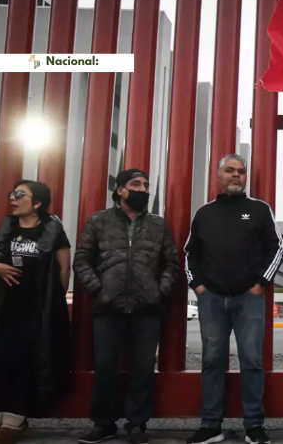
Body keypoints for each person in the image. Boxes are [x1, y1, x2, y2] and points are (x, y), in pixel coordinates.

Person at [184, 154, 283, 444]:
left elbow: (276, 248)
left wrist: (261, 283)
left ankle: (254, 426)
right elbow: (191, 252)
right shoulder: (205, 213)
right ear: (218, 176)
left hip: (248, 299)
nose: (236, 175)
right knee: (212, 360)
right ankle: (211, 425)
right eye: (230, 171)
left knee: (252, 361)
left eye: (241, 171)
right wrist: (198, 286)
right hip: (211, 298)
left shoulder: (259, 209)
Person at [74, 169, 179, 444]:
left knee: (143, 368)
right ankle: (104, 423)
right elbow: (82, 260)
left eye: (145, 185)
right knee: (105, 367)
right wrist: (99, 289)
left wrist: (159, 291)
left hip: (148, 310)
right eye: (136, 184)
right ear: (120, 190)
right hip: (107, 308)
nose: (143, 189)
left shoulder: (158, 224)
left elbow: (172, 263)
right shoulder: (99, 221)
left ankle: (137, 424)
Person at [0, 180, 73, 444]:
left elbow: (64, 268)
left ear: (36, 203)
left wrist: (53, 302)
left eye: (19, 195)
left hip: (34, 310)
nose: (12, 199)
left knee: (23, 361)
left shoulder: (53, 229)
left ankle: (14, 422)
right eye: (12, 194)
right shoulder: (5, 227)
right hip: (0, 308)